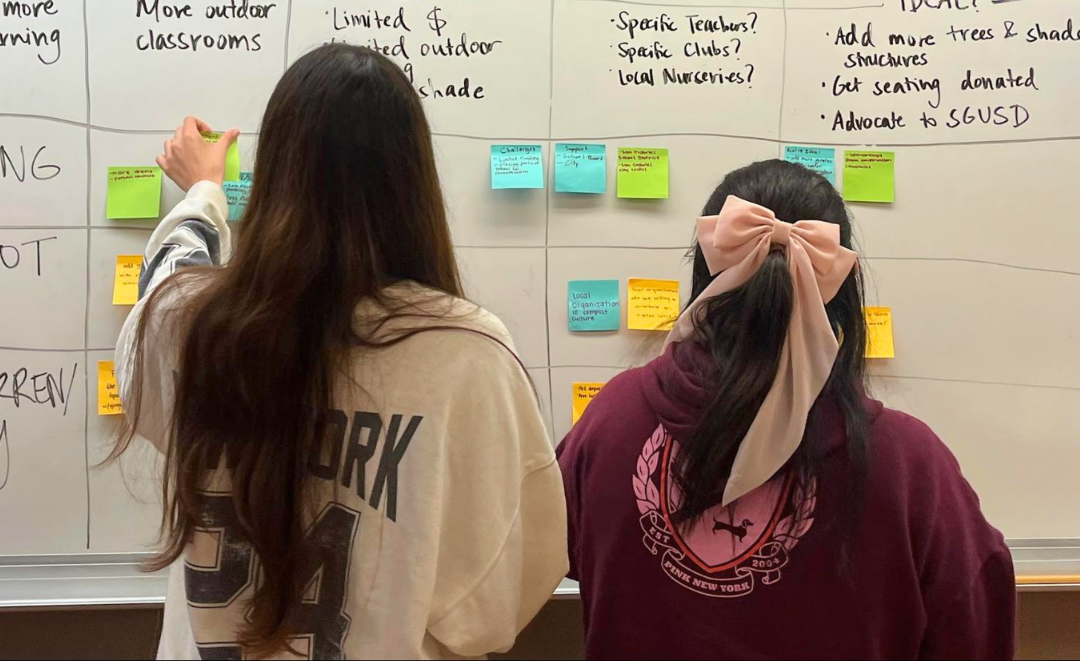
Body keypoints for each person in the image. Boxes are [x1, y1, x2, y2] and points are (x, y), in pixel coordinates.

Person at [114, 43, 567, 660]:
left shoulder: (188, 328)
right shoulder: (469, 352)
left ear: (275, 175)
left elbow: (166, 283)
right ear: (414, 183)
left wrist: (203, 194)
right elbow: (499, 599)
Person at [557, 158, 1014, 661]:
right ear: (841, 292)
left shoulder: (609, 422)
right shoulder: (910, 466)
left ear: (704, 271)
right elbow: (972, 623)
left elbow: (555, 551)